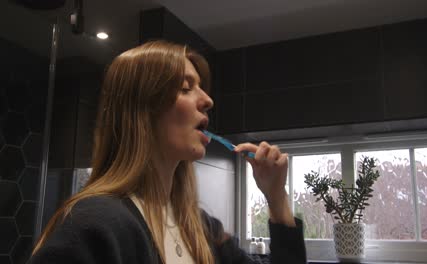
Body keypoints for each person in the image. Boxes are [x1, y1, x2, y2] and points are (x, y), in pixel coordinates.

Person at [29, 40, 306, 264]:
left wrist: (276, 196)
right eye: (186, 88)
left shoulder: (202, 229)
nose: (208, 100)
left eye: (201, 88)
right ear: (141, 111)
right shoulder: (94, 225)